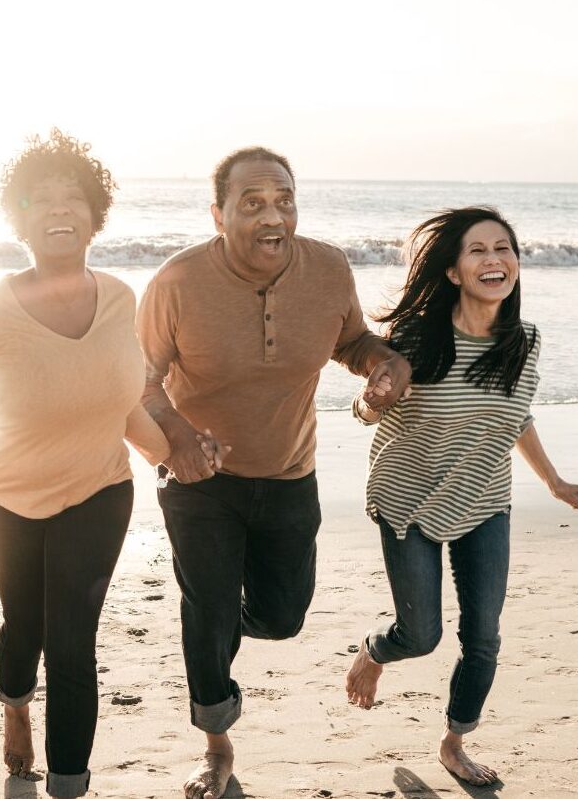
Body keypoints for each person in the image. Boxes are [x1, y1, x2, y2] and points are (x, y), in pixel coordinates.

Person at [0, 130, 218, 799]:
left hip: (100, 492)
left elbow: (118, 406)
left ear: (94, 213)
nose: (60, 208)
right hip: (4, 501)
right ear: (17, 220)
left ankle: (66, 786)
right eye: (42, 199)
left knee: (72, 639)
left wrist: (178, 451)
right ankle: (15, 703)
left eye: (72, 196)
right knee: (22, 627)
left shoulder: (120, 299)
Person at [137, 146, 413, 799]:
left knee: (282, 615)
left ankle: (215, 615)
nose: (273, 214)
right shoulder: (176, 284)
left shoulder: (325, 267)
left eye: (283, 199)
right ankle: (216, 745)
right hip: (198, 478)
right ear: (218, 214)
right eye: (252, 202)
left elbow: (349, 341)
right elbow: (138, 380)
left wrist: (382, 363)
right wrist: (175, 435)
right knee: (206, 608)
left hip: (290, 474)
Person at [342, 206, 578, 787]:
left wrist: (553, 481)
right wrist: (373, 400)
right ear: (453, 272)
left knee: (483, 634)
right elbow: (364, 405)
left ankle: (454, 741)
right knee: (420, 635)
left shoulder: (523, 342)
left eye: (503, 248)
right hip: (409, 502)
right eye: (477, 250)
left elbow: (515, 416)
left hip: (483, 500)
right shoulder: (416, 340)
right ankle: (375, 652)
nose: (493, 259)